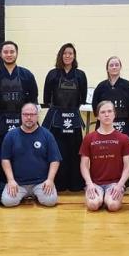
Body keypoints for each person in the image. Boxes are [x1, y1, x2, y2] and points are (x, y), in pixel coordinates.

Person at [42, 43, 88, 192]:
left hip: (73, 117)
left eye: (71, 53)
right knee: (57, 150)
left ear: (74, 56)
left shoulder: (80, 75)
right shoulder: (53, 74)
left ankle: (75, 183)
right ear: (61, 55)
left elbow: (83, 97)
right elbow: (46, 97)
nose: (68, 56)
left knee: (75, 151)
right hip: (56, 118)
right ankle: (58, 183)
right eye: (65, 53)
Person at [0, 103, 62, 207]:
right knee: (8, 201)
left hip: (40, 182)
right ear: (21, 115)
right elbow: (5, 159)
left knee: (50, 201)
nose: (29, 117)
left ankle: (37, 194)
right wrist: (10, 180)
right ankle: (25, 194)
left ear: (37, 115)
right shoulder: (11, 135)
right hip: (18, 183)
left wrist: (50, 180)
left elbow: (55, 160)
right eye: (25, 114)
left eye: (32, 114)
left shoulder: (47, 135)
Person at [91, 56, 129, 186]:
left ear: (120, 67)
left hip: (125, 123)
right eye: (111, 65)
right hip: (105, 125)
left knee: (125, 153)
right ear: (107, 68)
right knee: (104, 152)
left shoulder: (127, 85)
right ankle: (102, 179)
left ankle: (125, 182)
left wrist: (124, 115)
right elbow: (95, 105)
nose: (114, 67)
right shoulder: (101, 87)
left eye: (116, 64)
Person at [79, 101, 129, 212]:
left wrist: (120, 185)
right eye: (103, 112)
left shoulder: (123, 138)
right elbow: (84, 165)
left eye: (109, 111)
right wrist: (89, 184)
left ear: (114, 114)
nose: (107, 114)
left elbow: (128, 166)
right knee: (93, 205)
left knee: (113, 206)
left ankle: (106, 198)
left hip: (114, 183)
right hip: (95, 183)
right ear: (98, 116)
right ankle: (101, 197)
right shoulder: (89, 138)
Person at [0, 41, 39, 146]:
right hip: (1, 121)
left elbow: (33, 98)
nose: (9, 55)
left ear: (17, 53)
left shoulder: (27, 75)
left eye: (12, 52)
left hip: (23, 120)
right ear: (1, 54)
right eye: (5, 52)